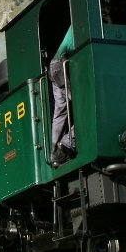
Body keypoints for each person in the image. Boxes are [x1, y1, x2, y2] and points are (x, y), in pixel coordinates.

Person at [49, 25, 76, 167]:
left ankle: (55, 152)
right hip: (61, 65)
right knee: (83, 104)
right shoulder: (83, 23)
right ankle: (68, 142)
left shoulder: (72, 27)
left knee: (60, 111)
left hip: (53, 65)